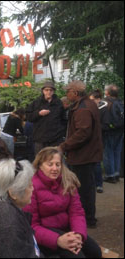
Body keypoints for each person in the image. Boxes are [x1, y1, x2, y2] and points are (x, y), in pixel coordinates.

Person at [24, 147, 102, 258]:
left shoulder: (67, 181)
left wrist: (78, 234)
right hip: (46, 235)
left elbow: (76, 212)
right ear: (40, 165)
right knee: (78, 256)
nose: (55, 168)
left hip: (68, 230)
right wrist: (58, 240)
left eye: (58, 164)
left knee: (95, 252)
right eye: (50, 164)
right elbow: (32, 226)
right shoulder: (31, 187)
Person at [59, 81, 103, 228]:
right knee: (86, 188)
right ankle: (87, 218)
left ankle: (88, 219)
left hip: (83, 156)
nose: (66, 94)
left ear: (75, 93)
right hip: (85, 154)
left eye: (68, 91)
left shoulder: (83, 109)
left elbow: (83, 133)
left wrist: (64, 146)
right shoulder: (86, 105)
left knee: (84, 189)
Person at [26, 81, 66, 155]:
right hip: (40, 139)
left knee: (55, 159)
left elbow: (63, 120)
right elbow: (28, 116)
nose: (48, 92)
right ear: (43, 91)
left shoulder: (58, 103)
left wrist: (60, 133)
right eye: (46, 90)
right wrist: (38, 113)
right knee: (40, 161)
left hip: (55, 139)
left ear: (53, 91)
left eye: (51, 90)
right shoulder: (36, 102)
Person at [103, 84, 124, 183]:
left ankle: (110, 175)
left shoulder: (106, 102)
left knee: (108, 152)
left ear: (107, 92)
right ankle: (116, 173)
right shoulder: (121, 102)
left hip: (110, 130)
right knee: (117, 152)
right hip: (120, 130)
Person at [89, 89, 109, 193]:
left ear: (98, 100)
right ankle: (92, 183)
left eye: (93, 100)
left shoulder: (103, 110)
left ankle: (99, 184)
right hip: (90, 138)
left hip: (99, 138)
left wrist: (93, 127)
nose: (91, 102)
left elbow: (105, 125)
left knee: (97, 162)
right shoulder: (90, 109)